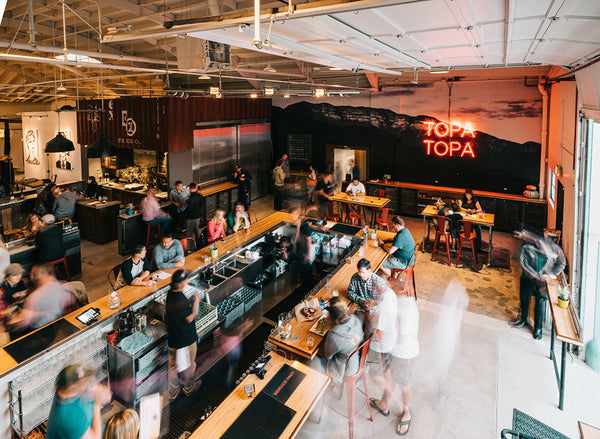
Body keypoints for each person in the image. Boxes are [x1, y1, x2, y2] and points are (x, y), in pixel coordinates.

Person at [370, 278, 417, 436]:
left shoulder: (406, 310)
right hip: (394, 350)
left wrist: (382, 333)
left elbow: (401, 338)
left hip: (405, 353)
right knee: (389, 378)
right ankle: (384, 403)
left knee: (404, 384)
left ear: (396, 292)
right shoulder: (396, 302)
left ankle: (406, 412)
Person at [511, 229, 566, 339]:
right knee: (524, 298)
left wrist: (550, 275)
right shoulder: (527, 247)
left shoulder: (556, 249)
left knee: (540, 303)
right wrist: (536, 275)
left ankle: (538, 328)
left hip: (543, 281)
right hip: (528, 277)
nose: (545, 251)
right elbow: (524, 263)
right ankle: (523, 319)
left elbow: (561, 263)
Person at [46, 364, 112, 439]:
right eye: (83, 382)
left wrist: (99, 390)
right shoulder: (70, 417)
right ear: (73, 387)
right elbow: (96, 437)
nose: (87, 381)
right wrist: (97, 403)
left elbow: (94, 388)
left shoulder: (64, 389)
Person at [166, 269, 202, 400]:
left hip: (173, 337)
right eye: (186, 280)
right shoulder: (180, 300)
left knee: (172, 367)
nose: (187, 281)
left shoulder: (170, 293)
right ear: (182, 283)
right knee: (190, 365)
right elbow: (190, 318)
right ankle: (189, 387)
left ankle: (172, 392)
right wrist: (196, 301)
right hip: (186, 338)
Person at [17, 263, 74, 330]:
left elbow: (26, 321)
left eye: (33, 274)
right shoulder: (60, 284)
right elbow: (69, 299)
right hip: (58, 322)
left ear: (39, 275)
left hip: (41, 328)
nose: (31, 277)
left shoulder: (34, 298)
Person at [321, 297, 364, 384]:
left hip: (345, 370)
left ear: (332, 317)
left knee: (317, 359)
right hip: (359, 361)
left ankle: (326, 383)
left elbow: (327, 356)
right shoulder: (355, 319)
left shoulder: (334, 335)